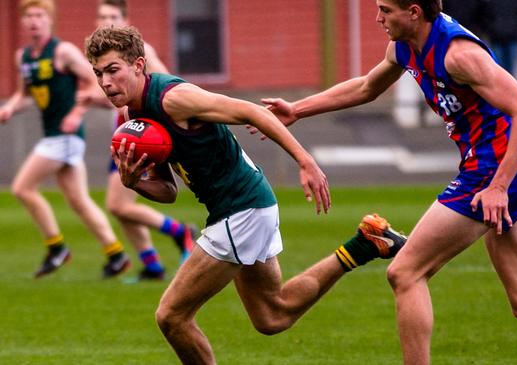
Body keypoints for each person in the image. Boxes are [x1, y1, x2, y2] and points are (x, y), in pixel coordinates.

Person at [256, 1, 517, 364]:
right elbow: (366, 87)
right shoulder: (404, 45)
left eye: (384, 10)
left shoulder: (459, 54)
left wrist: (496, 187)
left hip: (494, 172)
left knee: (405, 272)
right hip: (497, 171)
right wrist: (298, 109)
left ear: (413, 12)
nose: (378, 18)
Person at [84, 25, 407, 364]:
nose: (105, 82)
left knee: (171, 316)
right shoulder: (132, 117)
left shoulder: (173, 99)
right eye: (98, 73)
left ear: (138, 65)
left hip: (242, 210)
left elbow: (250, 111)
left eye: (112, 70)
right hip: (246, 208)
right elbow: (168, 192)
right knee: (272, 316)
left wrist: (305, 160)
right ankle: (367, 242)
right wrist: (133, 181)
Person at [0, 0, 130, 278]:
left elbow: (94, 81)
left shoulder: (63, 51)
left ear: (50, 19)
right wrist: (10, 107)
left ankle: (56, 247)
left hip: (65, 136)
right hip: (54, 135)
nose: (34, 21)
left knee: (22, 188)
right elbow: (25, 94)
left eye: (40, 15)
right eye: (29, 16)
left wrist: (76, 112)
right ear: (24, 22)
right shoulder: (23, 56)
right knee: (79, 200)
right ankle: (116, 253)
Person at [94, 0, 197, 281]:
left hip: (143, 137)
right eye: (101, 16)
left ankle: (181, 232)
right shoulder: (102, 58)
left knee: (118, 205)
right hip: (123, 137)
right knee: (121, 208)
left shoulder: (142, 52)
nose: (105, 21)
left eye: (112, 16)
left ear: (125, 18)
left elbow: (167, 83)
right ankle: (151, 265)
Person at [479, 0, 517, 76]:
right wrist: (492, 29)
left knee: (511, 72)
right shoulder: (491, 2)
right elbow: (483, 18)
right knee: (498, 70)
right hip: (496, 40)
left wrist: (514, 27)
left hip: (513, 39)